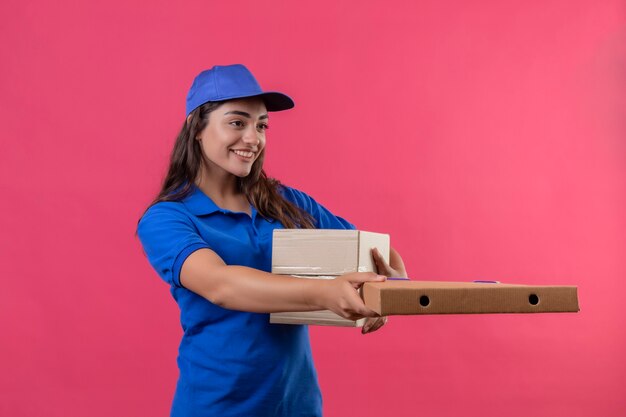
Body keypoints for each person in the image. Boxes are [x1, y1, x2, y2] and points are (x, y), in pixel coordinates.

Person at [137, 64, 408, 417]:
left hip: (297, 406)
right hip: (216, 407)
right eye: (237, 123)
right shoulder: (168, 219)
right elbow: (222, 285)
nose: (253, 138)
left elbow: (380, 253)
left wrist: (388, 290)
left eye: (261, 125)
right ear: (196, 128)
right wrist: (324, 293)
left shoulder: (285, 202)